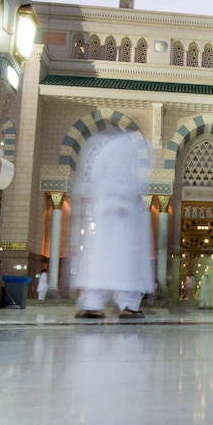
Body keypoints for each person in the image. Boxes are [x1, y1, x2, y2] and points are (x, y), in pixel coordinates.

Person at [75, 133, 154, 319]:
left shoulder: (113, 153)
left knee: (110, 264)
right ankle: (122, 306)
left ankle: (98, 305)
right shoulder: (127, 153)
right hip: (118, 222)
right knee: (120, 265)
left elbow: (99, 175)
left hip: (118, 222)